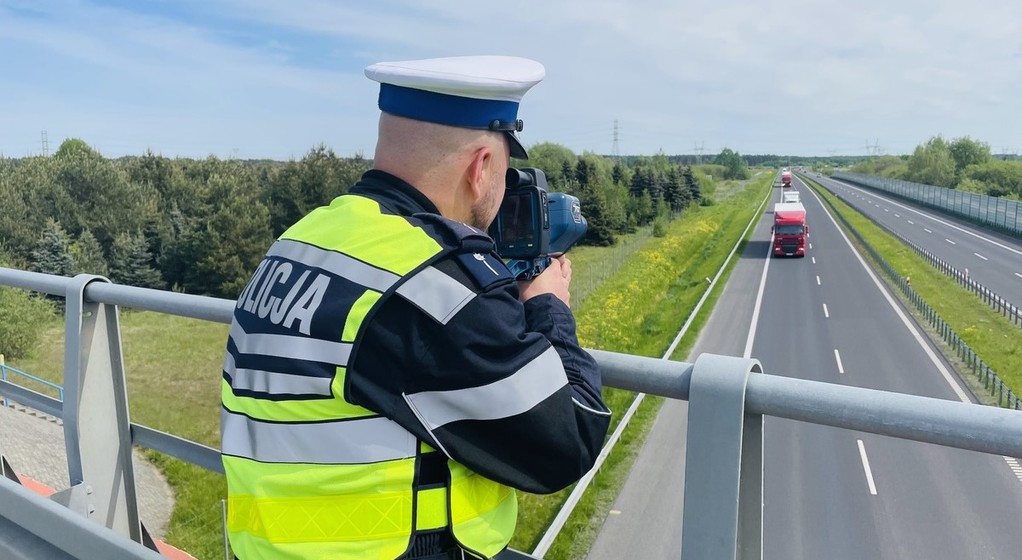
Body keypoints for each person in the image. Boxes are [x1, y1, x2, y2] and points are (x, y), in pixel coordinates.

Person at [220, 55, 611, 560]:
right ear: (482, 166)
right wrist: (549, 307)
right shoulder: (429, 279)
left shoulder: (299, 242)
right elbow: (569, 436)